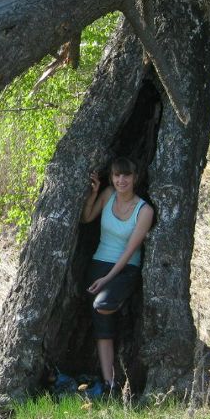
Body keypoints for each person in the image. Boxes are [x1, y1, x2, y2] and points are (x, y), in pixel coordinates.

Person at [80, 157, 154, 398]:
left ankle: (121, 309)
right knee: (103, 329)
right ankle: (110, 385)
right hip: (98, 266)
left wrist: (108, 278)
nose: (121, 180)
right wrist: (93, 193)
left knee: (103, 305)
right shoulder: (109, 194)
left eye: (126, 176)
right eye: (116, 176)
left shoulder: (144, 210)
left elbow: (129, 251)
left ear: (135, 178)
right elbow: (87, 217)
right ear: (111, 178)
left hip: (125, 269)